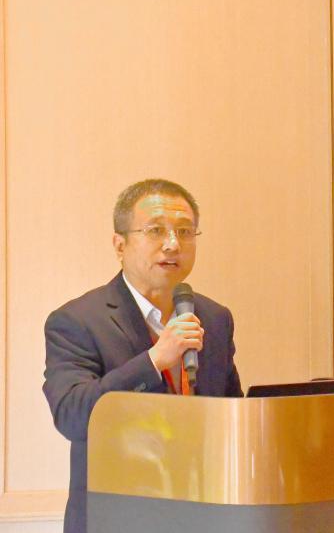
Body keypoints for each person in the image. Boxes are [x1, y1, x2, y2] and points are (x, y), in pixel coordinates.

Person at [42, 179, 243, 533]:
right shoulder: (76, 321)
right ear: (120, 245)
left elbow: (232, 415)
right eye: (156, 230)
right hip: (118, 519)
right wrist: (153, 361)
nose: (173, 244)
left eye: (185, 232)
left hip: (204, 516)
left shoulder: (214, 318)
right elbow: (72, 416)